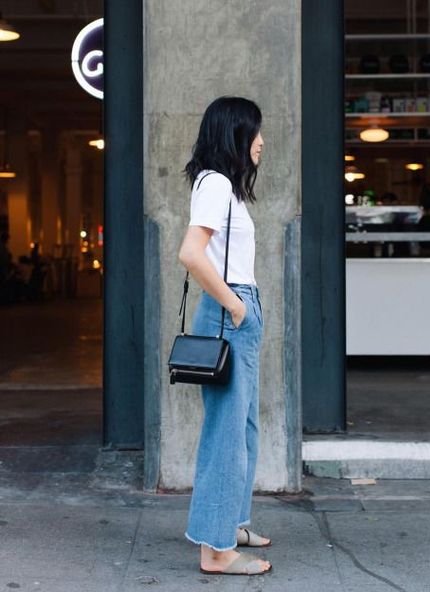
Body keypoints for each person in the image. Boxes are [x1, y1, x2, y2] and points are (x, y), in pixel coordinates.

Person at [177, 97, 271, 576]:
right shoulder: (215, 184)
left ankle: (229, 522)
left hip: (236, 308)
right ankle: (215, 550)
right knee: (226, 435)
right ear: (234, 134)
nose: (261, 141)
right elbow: (191, 253)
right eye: (254, 132)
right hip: (229, 311)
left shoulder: (223, 187)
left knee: (244, 429)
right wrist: (235, 306)